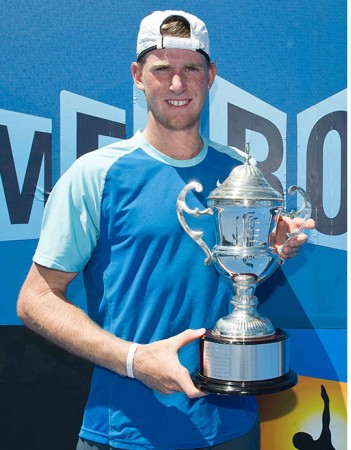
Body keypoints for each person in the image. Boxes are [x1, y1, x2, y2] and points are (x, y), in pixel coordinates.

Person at [16, 10, 314, 450]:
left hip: (229, 430)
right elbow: (35, 299)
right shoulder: (96, 175)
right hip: (125, 432)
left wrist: (268, 249)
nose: (177, 85)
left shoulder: (239, 174)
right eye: (162, 69)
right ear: (138, 76)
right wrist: (135, 360)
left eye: (191, 68)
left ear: (210, 76)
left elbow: (237, 274)